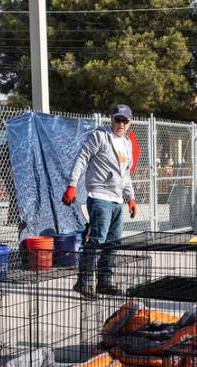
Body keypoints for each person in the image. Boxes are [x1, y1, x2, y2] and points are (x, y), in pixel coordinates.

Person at [62, 103, 138, 299]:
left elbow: (125, 174)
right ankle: (85, 281)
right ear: (111, 119)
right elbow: (81, 158)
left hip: (117, 200)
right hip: (99, 197)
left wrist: (130, 198)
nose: (120, 123)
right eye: (117, 119)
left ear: (130, 122)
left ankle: (105, 281)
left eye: (124, 120)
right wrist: (72, 185)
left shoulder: (127, 144)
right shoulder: (99, 136)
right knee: (97, 240)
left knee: (113, 242)